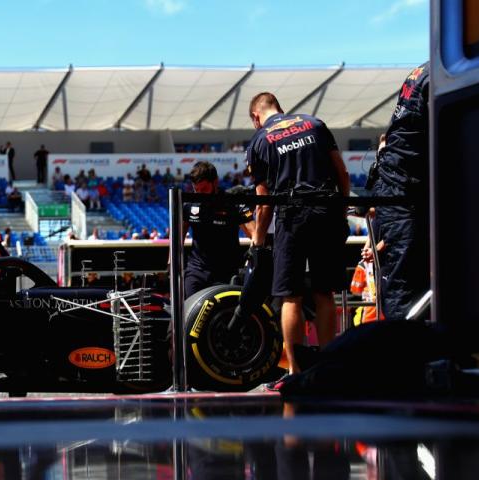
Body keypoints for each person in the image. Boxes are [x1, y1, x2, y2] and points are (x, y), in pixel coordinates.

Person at [245, 92, 350, 381]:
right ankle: (328, 369)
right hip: (327, 209)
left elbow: (263, 200)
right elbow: (342, 172)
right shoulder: (314, 123)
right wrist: (340, 213)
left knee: (291, 296)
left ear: (256, 116)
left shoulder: (259, 140)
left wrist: (258, 240)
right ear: (280, 107)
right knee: (324, 292)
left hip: (292, 216)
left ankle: (295, 371)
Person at [369, 62, 430, 320]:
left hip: (405, 189)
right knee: (403, 287)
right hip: (403, 190)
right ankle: (406, 357)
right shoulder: (441, 74)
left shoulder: (427, 71)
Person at [182, 161, 255, 298]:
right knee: (189, 315)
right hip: (196, 271)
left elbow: (255, 234)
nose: (199, 194)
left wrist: (251, 259)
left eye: (204, 189)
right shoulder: (189, 204)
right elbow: (178, 236)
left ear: (215, 182)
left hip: (226, 272)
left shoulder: (232, 203)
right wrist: (170, 263)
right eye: (196, 189)